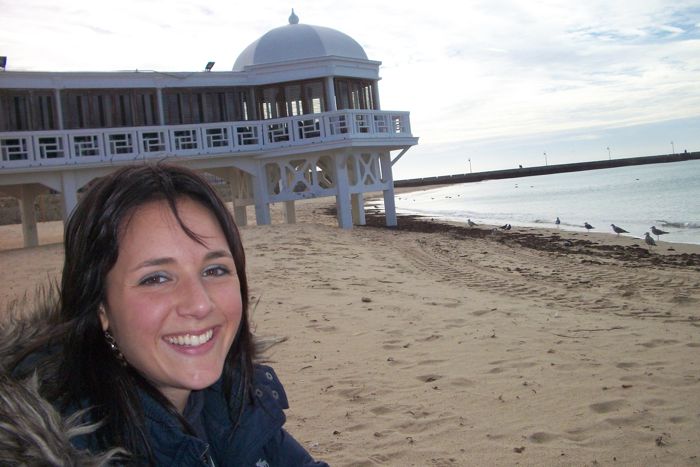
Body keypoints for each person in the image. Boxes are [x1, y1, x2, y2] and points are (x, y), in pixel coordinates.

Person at [6, 163, 328, 466]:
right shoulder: (57, 449)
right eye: (156, 278)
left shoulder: (234, 405)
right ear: (100, 307)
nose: (199, 304)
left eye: (215, 270)